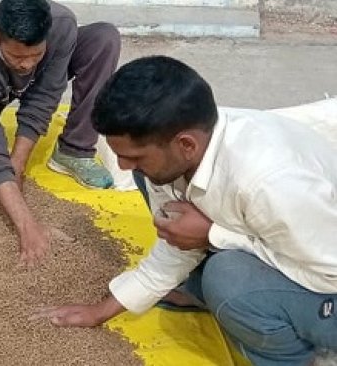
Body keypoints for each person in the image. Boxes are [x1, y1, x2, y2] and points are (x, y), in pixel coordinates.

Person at [33, 56, 337, 366]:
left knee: (227, 280)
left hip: (328, 275)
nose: (123, 166)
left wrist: (214, 235)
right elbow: (176, 243)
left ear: (186, 145)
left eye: (134, 156)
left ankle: (293, 357)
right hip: (286, 237)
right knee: (152, 178)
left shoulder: (270, 183)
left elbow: (329, 272)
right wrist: (102, 310)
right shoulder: (183, 146)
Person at [0, 0, 121, 265]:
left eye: (35, 54)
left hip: (37, 80)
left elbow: (45, 95)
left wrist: (18, 162)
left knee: (103, 39)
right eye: (16, 56)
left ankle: (75, 149)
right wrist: (28, 227)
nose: (25, 63)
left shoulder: (62, 25)